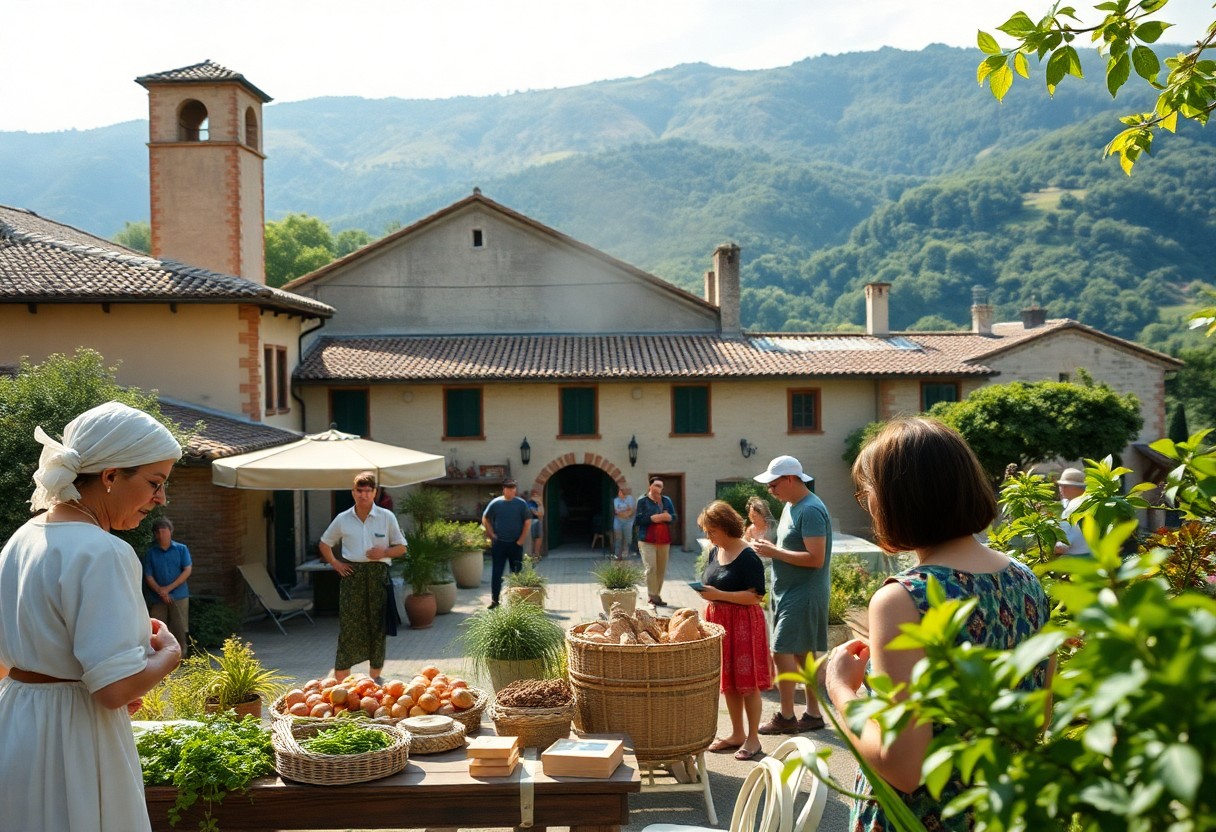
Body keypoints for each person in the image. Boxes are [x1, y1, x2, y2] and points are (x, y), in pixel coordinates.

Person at [827, 417, 1052, 830]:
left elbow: (904, 770)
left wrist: (842, 690)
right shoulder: (1026, 579)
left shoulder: (902, 599)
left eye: (868, 493)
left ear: (900, 499)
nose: (868, 504)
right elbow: (1038, 718)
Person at [0, 400, 184, 832]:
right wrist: (169, 655)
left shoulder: (20, 540)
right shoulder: (104, 552)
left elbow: (10, 660)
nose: (160, 499)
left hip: (13, 726)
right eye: (155, 482)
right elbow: (114, 691)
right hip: (74, 739)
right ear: (110, 476)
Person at [751, 455, 832, 734]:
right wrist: (770, 548)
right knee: (802, 653)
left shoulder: (810, 510)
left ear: (790, 479)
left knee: (781, 649)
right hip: (789, 590)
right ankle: (813, 714)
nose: (770, 491)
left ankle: (787, 717)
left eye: (774, 485)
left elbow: (815, 558)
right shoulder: (791, 506)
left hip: (804, 592)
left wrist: (774, 552)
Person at [695, 500, 772, 762]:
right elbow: (712, 581)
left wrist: (719, 594)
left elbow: (755, 597)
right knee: (729, 683)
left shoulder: (748, 556)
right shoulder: (714, 551)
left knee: (747, 683)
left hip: (743, 624)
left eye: (711, 531)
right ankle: (737, 734)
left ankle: (753, 739)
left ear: (726, 527)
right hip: (720, 622)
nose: (708, 536)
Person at [318, 471, 408, 682]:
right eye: (360, 490)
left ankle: (374, 680)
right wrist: (335, 563)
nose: (364, 495)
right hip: (352, 576)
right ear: (353, 492)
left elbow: (402, 548)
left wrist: (384, 552)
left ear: (374, 493)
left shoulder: (387, 517)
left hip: (378, 575)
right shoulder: (343, 519)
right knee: (349, 626)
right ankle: (342, 682)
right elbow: (324, 544)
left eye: (368, 491)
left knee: (377, 627)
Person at [143, 516, 192, 652]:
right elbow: (148, 575)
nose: (161, 535)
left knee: (180, 627)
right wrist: (161, 591)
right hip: (157, 597)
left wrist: (168, 589)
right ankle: (160, 656)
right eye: (158, 532)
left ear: (170, 531)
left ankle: (181, 657)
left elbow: (187, 570)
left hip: (179, 595)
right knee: (157, 628)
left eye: (164, 531)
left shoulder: (181, 549)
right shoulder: (151, 552)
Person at [482, 478, 532, 608]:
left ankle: (517, 602)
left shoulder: (521, 504)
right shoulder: (496, 503)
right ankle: (495, 600)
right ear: (503, 489)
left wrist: (521, 539)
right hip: (500, 544)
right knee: (497, 573)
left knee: (516, 573)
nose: (511, 490)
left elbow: (527, 521)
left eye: (513, 488)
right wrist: (491, 534)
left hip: (515, 544)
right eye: (509, 488)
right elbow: (485, 518)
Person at [635, 477, 677, 607]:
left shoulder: (666, 500)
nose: (659, 488)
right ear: (650, 486)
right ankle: (652, 595)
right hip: (646, 540)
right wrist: (653, 518)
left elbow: (674, 517)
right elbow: (638, 520)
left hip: (663, 539)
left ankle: (656, 595)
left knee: (661, 569)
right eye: (657, 485)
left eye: (661, 486)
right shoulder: (642, 501)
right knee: (651, 567)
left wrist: (668, 517)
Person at [1054, 467, 1090, 557]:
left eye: (1066, 486)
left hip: (1079, 560)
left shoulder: (1074, 509)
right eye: (1060, 485)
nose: (1061, 489)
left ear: (1081, 488)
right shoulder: (1071, 503)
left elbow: (1063, 546)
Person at [612, 485, 636, 560]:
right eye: (619, 491)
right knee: (618, 538)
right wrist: (625, 512)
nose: (619, 493)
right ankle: (617, 555)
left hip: (628, 522)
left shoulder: (630, 499)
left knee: (628, 538)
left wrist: (624, 512)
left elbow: (631, 511)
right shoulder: (616, 500)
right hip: (618, 522)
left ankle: (628, 554)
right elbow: (617, 511)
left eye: (621, 491)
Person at [526, 488, 544, 557]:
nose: (535, 496)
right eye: (534, 494)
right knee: (533, 538)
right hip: (532, 521)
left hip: (538, 521)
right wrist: (539, 504)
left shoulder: (539, 503)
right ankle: (532, 554)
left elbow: (542, 513)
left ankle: (537, 554)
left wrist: (539, 503)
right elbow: (537, 513)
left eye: (537, 494)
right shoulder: (530, 503)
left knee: (539, 537)